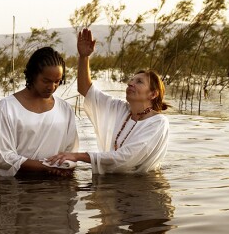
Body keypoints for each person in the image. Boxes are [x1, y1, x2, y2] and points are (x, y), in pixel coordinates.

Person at [48, 28, 170, 173]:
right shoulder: (120, 108)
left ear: (153, 94)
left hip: (142, 187)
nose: (130, 83)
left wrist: (77, 156)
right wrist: (84, 57)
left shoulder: (158, 122)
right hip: (113, 182)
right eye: (131, 80)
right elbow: (85, 89)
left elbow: (125, 157)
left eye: (139, 82)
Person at [0, 47, 78, 177]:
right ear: (32, 75)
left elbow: (70, 151)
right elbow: (3, 157)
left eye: (57, 81)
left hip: (56, 186)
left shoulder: (65, 109)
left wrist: (64, 166)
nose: (52, 87)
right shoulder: (8, 107)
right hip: (18, 187)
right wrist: (45, 167)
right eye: (46, 81)